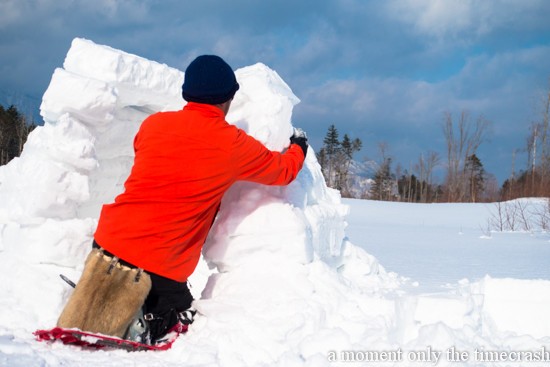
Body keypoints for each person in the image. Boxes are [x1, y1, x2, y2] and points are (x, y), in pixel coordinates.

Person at [56, 54, 308, 344]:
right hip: (161, 265)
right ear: (228, 97)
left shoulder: (154, 125)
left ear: (187, 93)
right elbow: (283, 171)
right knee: (183, 321)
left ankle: (101, 297)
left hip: (108, 240)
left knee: (130, 273)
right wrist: (298, 145)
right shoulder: (232, 144)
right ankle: (145, 321)